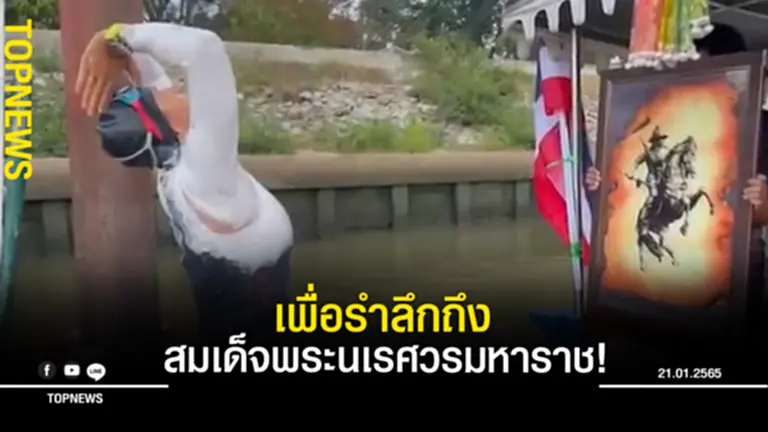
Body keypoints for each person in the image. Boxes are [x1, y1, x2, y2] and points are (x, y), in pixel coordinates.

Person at [75, 22, 294, 341]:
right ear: (170, 125)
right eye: (163, 97)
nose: (175, 90)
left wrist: (118, 49)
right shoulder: (206, 171)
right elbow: (206, 47)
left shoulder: (180, 170)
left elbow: (155, 83)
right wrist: (117, 34)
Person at [585, 23, 766, 334]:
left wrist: (764, 201)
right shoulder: (657, 116)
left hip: (734, 267)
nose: (692, 77)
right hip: (660, 278)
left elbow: (761, 210)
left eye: (703, 68)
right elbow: (626, 182)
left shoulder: (761, 126)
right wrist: (604, 183)